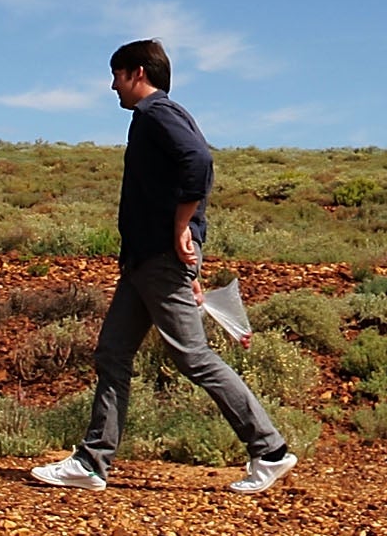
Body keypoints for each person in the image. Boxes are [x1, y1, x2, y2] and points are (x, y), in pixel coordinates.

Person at [30, 39, 297, 494]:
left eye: (115, 75)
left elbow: (199, 160)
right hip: (144, 263)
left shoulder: (158, 114)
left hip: (159, 258)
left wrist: (180, 228)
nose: (111, 85)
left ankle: (268, 450)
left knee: (193, 357)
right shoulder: (153, 117)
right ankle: (92, 463)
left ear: (136, 72)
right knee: (113, 353)